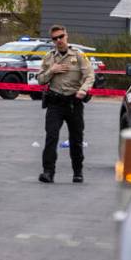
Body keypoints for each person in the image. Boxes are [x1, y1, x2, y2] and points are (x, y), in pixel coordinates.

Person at [36, 24, 94, 184]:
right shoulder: (49, 57)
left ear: (66, 36)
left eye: (61, 36)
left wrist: (83, 90)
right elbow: (40, 80)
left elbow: (89, 75)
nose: (59, 40)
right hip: (55, 102)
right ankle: (48, 172)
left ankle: (77, 172)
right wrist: (51, 71)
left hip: (74, 102)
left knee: (76, 139)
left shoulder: (78, 55)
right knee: (51, 137)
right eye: (55, 38)